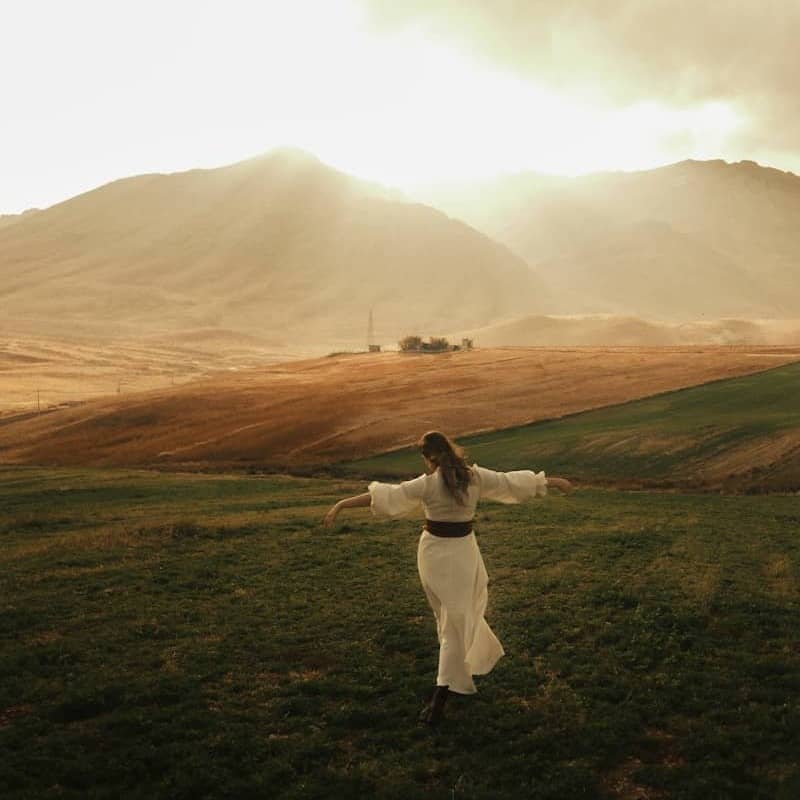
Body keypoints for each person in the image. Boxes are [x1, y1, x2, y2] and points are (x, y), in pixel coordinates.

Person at [323, 430, 573, 725]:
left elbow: (388, 495)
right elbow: (510, 482)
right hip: (453, 554)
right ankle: (447, 683)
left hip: (442, 553)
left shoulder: (432, 483)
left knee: (454, 620)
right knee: (452, 619)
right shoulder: (473, 477)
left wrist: (341, 504)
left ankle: (442, 692)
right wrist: (553, 482)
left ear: (428, 458)